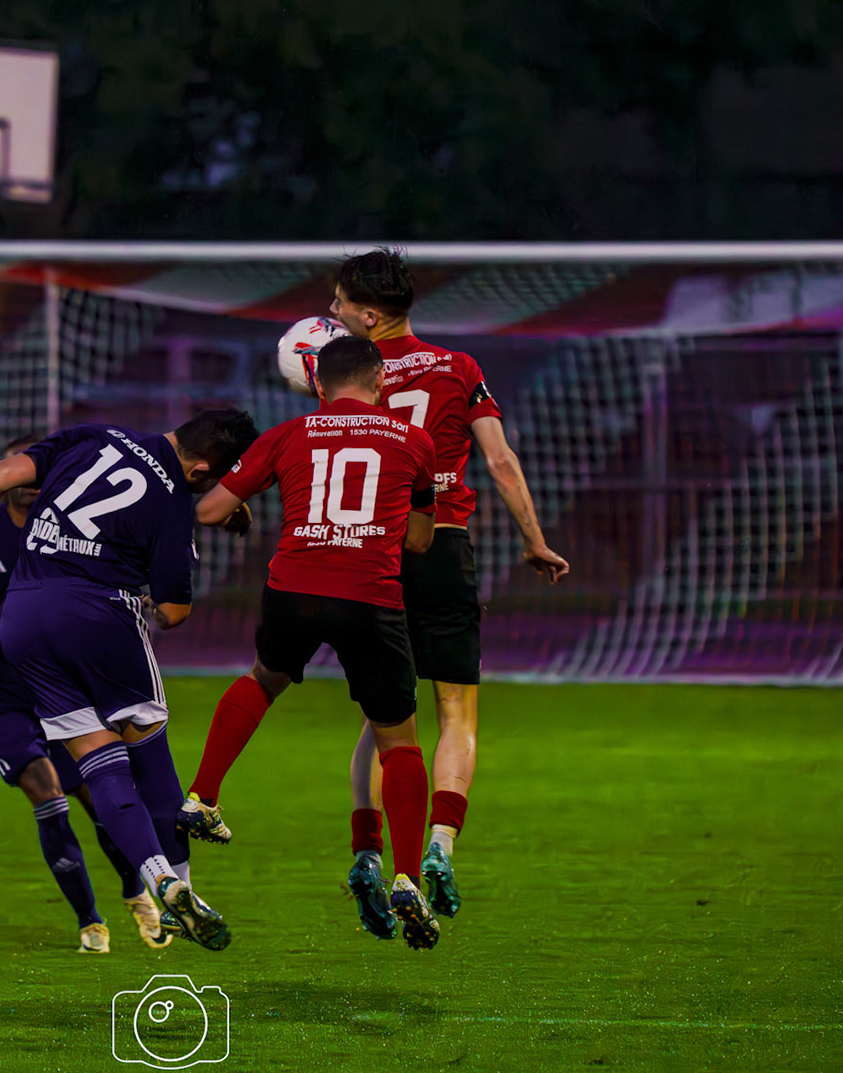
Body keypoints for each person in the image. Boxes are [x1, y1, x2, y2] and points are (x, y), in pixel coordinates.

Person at [0, 408, 258, 950]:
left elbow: (1, 474)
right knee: (150, 760)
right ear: (203, 470)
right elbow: (175, 611)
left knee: (98, 763)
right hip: (100, 616)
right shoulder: (171, 501)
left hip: (23, 618)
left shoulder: (96, 435)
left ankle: (156, 879)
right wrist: (150, 599)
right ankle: (183, 886)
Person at [183, 336, 445, 948]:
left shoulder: (289, 434)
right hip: (369, 596)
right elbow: (419, 542)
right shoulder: (415, 440)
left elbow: (210, 510)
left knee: (262, 679)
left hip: (295, 585)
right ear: (379, 379)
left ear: (319, 383)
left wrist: (242, 507)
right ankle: (406, 875)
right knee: (398, 740)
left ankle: (203, 796)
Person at [334, 249, 566, 926]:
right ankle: (439, 845)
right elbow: (498, 457)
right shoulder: (459, 368)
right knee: (456, 713)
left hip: (371, 551)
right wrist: (533, 538)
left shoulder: (345, 380)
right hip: (442, 545)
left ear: (368, 316)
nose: (332, 313)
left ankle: (368, 856)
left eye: (340, 304)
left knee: (382, 720)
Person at [0, 438, 170, 953]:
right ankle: (90, 921)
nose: (32, 478)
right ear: (3, 478)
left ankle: (137, 892)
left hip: (66, 689)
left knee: (100, 801)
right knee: (47, 794)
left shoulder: (71, 523)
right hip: (3, 695)